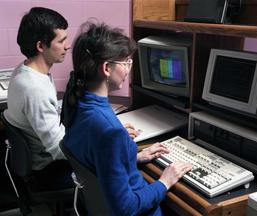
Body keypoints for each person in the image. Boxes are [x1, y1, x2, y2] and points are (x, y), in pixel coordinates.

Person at [61, 21, 193, 216]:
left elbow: (97, 161)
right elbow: (126, 208)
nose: (129, 70)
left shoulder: (77, 103)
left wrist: (133, 155)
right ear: (106, 68)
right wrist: (165, 181)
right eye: (126, 63)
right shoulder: (110, 132)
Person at [4, 7, 73, 190]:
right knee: (109, 172)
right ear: (41, 46)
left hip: (41, 160)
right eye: (62, 40)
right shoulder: (34, 89)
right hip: (48, 170)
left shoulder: (24, 69)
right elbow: (59, 149)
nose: (68, 45)